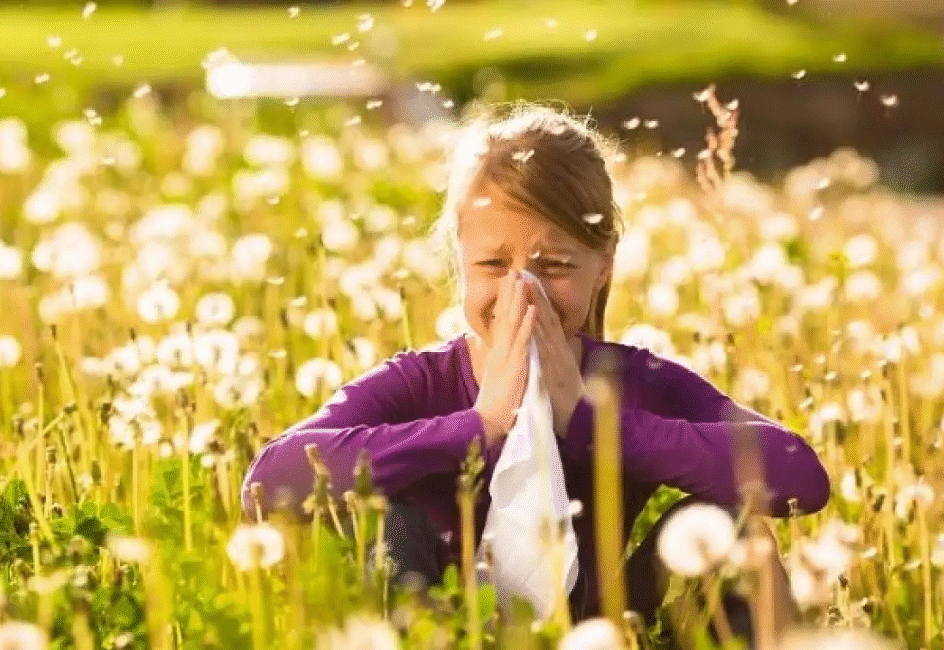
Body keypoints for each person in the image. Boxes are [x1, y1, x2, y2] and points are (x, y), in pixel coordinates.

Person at [241, 103, 831, 645]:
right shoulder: (420, 383)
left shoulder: (633, 381)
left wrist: (595, 425)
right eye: (494, 264)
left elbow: (800, 476)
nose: (523, 293)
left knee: (736, 530)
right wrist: (477, 426)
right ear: (460, 262)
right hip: (439, 629)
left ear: (603, 268)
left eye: (554, 266)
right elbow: (267, 483)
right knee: (384, 525)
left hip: (602, 634)